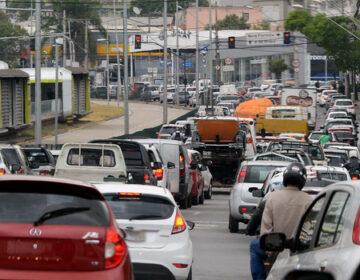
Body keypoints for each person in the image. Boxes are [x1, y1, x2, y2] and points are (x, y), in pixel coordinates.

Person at [249, 163, 312, 280]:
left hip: (275, 245)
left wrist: (269, 249)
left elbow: (266, 228)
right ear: (302, 181)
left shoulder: (272, 197)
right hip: (298, 248)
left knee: (254, 246)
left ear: (285, 178)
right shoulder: (308, 200)